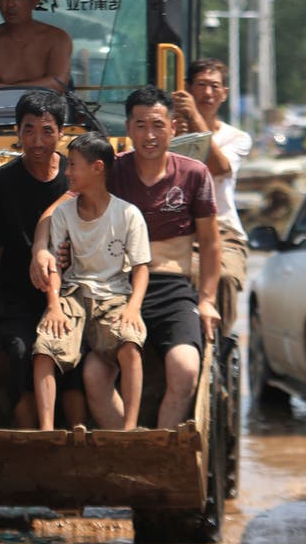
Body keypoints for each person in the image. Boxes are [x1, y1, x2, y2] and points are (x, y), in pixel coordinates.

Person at [34, 86, 220, 430]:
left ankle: (162, 448)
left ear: (173, 127)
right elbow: (56, 211)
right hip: (114, 288)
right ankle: (128, 445)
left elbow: (210, 244)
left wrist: (207, 299)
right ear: (128, 128)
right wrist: (40, 250)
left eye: (158, 125)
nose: (149, 135)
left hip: (172, 289)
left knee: (186, 368)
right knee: (93, 376)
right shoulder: (111, 169)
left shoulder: (194, 173)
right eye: (140, 125)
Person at [32, 133, 151, 431]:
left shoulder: (128, 214)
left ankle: (130, 430)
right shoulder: (63, 213)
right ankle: (47, 430)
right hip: (72, 295)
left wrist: (133, 308)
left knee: (130, 344)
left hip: (114, 297)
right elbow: (56, 267)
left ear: (97, 168)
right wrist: (54, 306)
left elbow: (141, 268)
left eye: (73, 165)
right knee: (44, 348)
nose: (67, 172)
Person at [0, 91, 81, 429]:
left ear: (62, 133)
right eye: (29, 130)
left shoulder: (75, 178)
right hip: (16, 294)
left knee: (75, 360)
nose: (37, 141)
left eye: (47, 130)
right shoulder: (1, 183)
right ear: (17, 132)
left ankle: (78, 442)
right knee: (21, 352)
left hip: (70, 293)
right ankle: (29, 442)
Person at [171, 58, 252, 333]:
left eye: (214, 87)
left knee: (225, 277)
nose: (207, 93)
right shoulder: (166, 131)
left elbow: (219, 167)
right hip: (174, 228)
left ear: (224, 93)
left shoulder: (237, 137)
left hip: (223, 230)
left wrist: (194, 118)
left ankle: (216, 345)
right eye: (201, 85)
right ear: (187, 88)